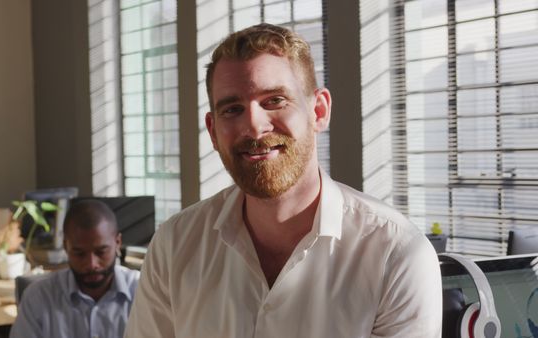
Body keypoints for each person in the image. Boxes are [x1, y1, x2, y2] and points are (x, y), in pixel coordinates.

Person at [125, 23, 442, 337]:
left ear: (318, 111)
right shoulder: (174, 245)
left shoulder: (396, 253)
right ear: (212, 131)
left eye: (274, 101)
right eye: (232, 109)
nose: (253, 126)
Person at [10, 199, 140, 338]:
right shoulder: (38, 297)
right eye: (79, 254)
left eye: (101, 252)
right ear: (66, 247)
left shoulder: (143, 291)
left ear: (118, 243)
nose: (91, 264)